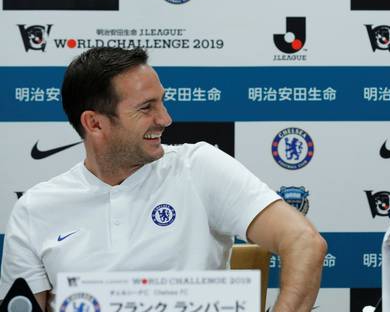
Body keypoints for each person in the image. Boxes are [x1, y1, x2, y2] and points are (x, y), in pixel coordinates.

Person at [0, 47, 327, 312]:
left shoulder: (198, 166)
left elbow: (305, 242)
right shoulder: (36, 208)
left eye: (162, 101)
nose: (166, 118)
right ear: (95, 124)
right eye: (146, 108)